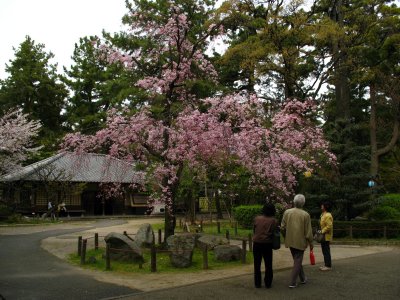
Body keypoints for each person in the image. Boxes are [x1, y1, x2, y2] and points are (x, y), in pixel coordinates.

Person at [281, 194, 313, 288]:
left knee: (297, 260)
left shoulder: (287, 212)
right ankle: (292, 282)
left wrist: (285, 236)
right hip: (300, 241)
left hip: (290, 240)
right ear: (303, 203)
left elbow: (282, 227)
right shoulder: (305, 215)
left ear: (294, 202)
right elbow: (308, 231)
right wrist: (311, 242)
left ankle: (303, 278)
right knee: (298, 260)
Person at [252, 203, 277, 289]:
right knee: (268, 264)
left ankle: (257, 283)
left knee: (257, 264)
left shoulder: (257, 218)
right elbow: (274, 232)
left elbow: (254, 230)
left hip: (256, 243)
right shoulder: (273, 220)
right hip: (267, 244)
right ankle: (268, 283)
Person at [319, 201, 333, 271]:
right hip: (323, 235)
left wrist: (322, 231)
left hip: (326, 235)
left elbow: (329, 226)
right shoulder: (323, 214)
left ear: (325, 207)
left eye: (322, 205)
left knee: (326, 250)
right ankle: (326, 264)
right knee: (324, 250)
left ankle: (328, 265)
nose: (321, 206)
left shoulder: (328, 215)